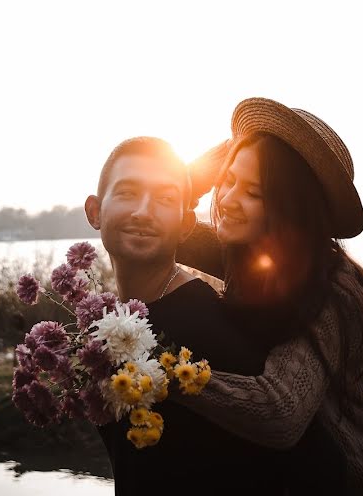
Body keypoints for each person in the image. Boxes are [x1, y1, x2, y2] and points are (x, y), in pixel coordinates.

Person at [175, 97, 363, 495]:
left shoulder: (335, 291)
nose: (229, 199)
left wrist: (158, 377)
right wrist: (246, 145)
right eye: (227, 181)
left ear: (291, 206)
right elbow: (167, 223)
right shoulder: (246, 254)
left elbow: (278, 411)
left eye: (254, 192)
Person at [83, 136, 285, 495]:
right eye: (128, 192)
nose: (143, 211)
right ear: (95, 212)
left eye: (164, 199)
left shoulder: (209, 329)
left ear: (186, 225)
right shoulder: (107, 322)